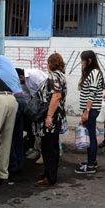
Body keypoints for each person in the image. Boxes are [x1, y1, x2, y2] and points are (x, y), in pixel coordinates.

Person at [33, 53, 68, 186]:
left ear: (50, 64)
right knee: (51, 146)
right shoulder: (60, 76)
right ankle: (48, 173)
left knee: (49, 147)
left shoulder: (54, 76)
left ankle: (50, 177)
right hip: (56, 116)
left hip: (52, 117)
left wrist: (49, 116)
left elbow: (56, 96)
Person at [74, 50, 105, 175]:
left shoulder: (94, 73)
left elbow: (92, 93)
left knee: (91, 136)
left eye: (83, 60)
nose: (81, 63)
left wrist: (86, 111)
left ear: (89, 61)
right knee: (89, 134)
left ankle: (91, 165)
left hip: (91, 110)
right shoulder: (91, 72)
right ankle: (91, 160)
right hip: (89, 110)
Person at [16, 68, 48, 161]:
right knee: (36, 129)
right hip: (36, 105)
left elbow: (46, 90)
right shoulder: (24, 82)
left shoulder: (34, 75)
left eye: (19, 80)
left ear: (21, 76)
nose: (19, 83)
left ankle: (44, 154)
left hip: (44, 105)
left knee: (43, 130)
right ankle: (37, 150)